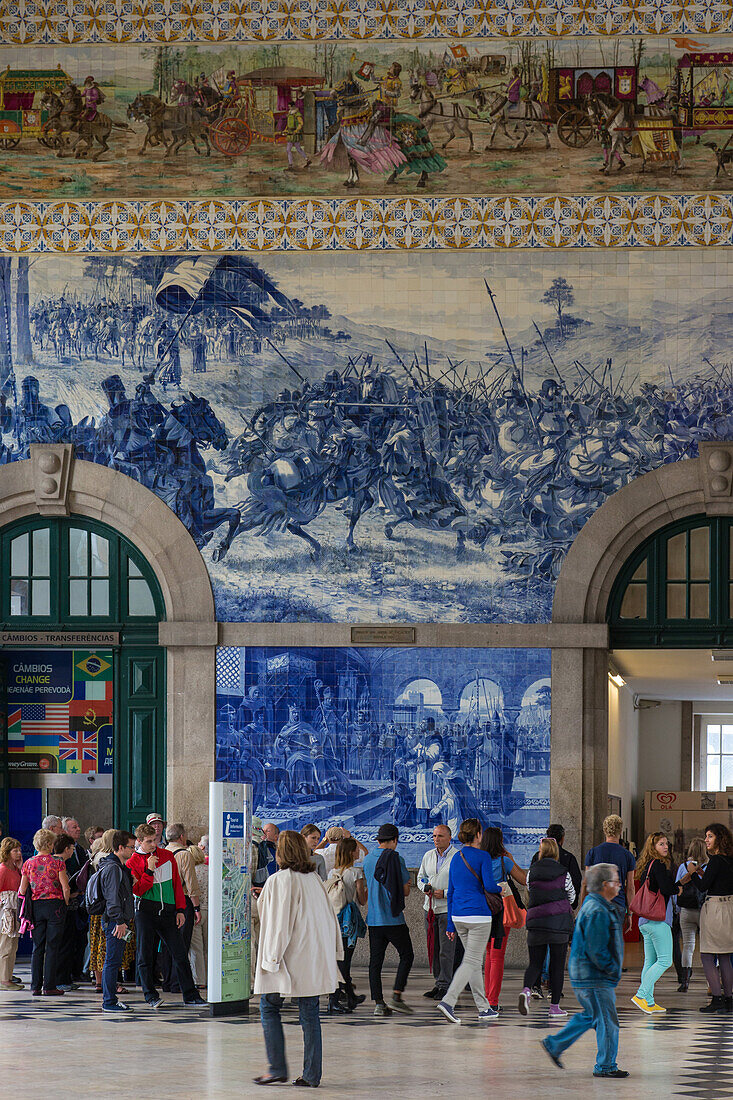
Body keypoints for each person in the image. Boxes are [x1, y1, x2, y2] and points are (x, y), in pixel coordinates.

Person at [254, 830, 342, 1088]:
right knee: (309, 1013)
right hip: (312, 958)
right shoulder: (313, 879)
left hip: (287, 958)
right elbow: (329, 918)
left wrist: (271, 959)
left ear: (281, 853)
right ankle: (312, 1074)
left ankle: (276, 1067)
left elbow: (278, 925)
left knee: (269, 1006)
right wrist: (334, 953)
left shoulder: (280, 880)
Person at [541, 864, 628, 1079]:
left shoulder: (595, 905)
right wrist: (611, 970)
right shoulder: (598, 911)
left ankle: (555, 1044)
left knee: (592, 1016)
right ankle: (606, 1066)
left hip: (587, 976)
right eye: (616, 881)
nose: (619, 885)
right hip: (595, 977)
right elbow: (597, 950)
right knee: (607, 1021)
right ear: (605, 885)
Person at [126, 823, 205, 1008]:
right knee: (145, 955)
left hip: (168, 912)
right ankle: (150, 994)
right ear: (139, 841)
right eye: (149, 841)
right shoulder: (133, 861)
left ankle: (191, 995)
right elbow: (138, 890)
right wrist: (149, 870)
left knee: (179, 954)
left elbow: (177, 884)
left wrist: (180, 909)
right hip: (145, 911)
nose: (154, 844)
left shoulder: (168, 856)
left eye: (156, 840)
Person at [437, 818, 501, 1025]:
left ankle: (484, 1008)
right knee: (472, 961)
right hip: (478, 916)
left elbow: (452, 892)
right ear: (478, 835)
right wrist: (502, 888)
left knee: (473, 963)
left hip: (458, 916)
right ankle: (448, 1001)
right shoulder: (482, 856)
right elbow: (490, 886)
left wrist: (449, 924)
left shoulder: (456, 857)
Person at [679, 821, 733, 1013]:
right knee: (725, 955)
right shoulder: (729, 860)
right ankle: (729, 999)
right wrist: (703, 873)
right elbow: (717, 880)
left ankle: (716, 999)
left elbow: (703, 887)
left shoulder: (716, 860)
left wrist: (693, 873)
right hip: (729, 909)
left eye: (710, 836)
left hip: (715, 909)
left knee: (707, 955)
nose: (706, 840)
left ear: (719, 838)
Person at [519, 836, 575, 1020]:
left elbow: (529, 890)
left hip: (536, 922)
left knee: (535, 963)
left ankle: (527, 990)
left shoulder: (531, 872)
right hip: (558, 924)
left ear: (541, 852)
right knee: (556, 967)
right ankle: (554, 1007)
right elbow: (572, 897)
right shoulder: (563, 872)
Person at [363, 823, 414, 1017]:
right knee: (407, 955)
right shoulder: (396, 859)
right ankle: (397, 995)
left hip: (374, 920)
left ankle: (378, 1003)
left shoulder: (367, 860)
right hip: (393, 919)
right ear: (394, 840)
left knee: (375, 962)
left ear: (378, 840)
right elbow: (405, 890)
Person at [630, 831, 679, 1014]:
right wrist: (678, 887)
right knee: (665, 960)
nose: (665, 847)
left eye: (666, 844)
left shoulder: (647, 866)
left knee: (650, 961)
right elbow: (666, 888)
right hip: (658, 921)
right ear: (653, 847)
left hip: (644, 921)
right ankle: (641, 995)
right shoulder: (658, 864)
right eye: (661, 844)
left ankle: (649, 1002)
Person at [481, 825, 527, 1012]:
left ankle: (487, 998)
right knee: (497, 956)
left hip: (482, 911)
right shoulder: (504, 861)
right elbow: (524, 880)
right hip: (500, 913)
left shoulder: (479, 861)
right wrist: (512, 860)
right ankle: (492, 1000)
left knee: (489, 954)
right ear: (499, 842)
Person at [19, 828, 70, 996]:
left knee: (38, 947)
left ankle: (35, 986)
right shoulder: (57, 863)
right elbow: (65, 887)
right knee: (53, 946)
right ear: (49, 844)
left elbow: (22, 889)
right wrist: (66, 903)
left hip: (35, 907)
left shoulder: (28, 863)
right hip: (55, 905)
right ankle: (49, 986)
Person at [417, 823, 458, 1000]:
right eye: (434, 836)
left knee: (446, 950)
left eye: (440, 836)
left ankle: (446, 984)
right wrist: (424, 887)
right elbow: (419, 877)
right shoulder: (428, 855)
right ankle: (438, 982)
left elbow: (462, 885)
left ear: (449, 838)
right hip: (431, 908)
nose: (436, 839)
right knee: (433, 947)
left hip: (447, 910)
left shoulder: (457, 856)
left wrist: (446, 893)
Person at [327, 836, 367, 1013]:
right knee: (344, 961)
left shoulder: (332, 872)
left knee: (339, 959)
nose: (358, 852)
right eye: (356, 849)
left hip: (333, 920)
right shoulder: (356, 873)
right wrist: (367, 888)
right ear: (351, 852)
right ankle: (333, 1001)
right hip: (348, 922)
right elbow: (362, 900)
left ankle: (350, 997)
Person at [98, 830, 136, 1013]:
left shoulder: (118, 867)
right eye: (130, 847)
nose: (133, 851)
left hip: (118, 920)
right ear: (120, 848)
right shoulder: (113, 868)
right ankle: (109, 1001)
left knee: (114, 960)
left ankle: (110, 999)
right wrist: (119, 921)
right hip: (115, 921)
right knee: (112, 961)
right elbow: (112, 898)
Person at [161, 824, 202, 994]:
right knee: (181, 943)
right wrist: (196, 906)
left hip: (164, 901)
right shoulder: (185, 855)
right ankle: (178, 982)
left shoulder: (161, 852)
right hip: (182, 901)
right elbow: (191, 883)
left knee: (166, 943)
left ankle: (167, 980)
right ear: (182, 837)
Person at [582, 814, 636, 926]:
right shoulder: (627, 855)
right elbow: (630, 887)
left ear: (604, 830)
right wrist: (630, 914)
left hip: (596, 903)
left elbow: (586, 883)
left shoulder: (593, 853)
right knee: (614, 940)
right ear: (620, 831)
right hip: (618, 903)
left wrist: (583, 908)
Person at [57, 817, 90, 991]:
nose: (79, 829)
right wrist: (71, 893)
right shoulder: (58, 862)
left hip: (77, 902)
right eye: (74, 827)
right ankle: (62, 977)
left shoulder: (81, 850)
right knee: (64, 942)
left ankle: (74, 973)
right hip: (65, 904)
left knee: (76, 940)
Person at [675, 836, 707, 992]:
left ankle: (685, 982)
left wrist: (678, 910)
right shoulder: (707, 867)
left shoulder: (683, 866)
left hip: (686, 911)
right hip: (704, 911)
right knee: (708, 947)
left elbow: (677, 889)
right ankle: (711, 984)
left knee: (688, 946)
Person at [0, 837, 23, 990]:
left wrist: (20, 869)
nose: (19, 853)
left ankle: (8, 976)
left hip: (15, 909)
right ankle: (4, 979)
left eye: (19, 850)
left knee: (12, 946)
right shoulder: (2, 870)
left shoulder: (15, 869)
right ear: (7, 853)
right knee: (5, 945)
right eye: (15, 850)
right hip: (6, 911)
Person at [189, 838, 209, 989]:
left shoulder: (191, 872)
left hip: (196, 911)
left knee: (196, 947)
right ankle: (211, 977)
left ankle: (199, 980)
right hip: (210, 911)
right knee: (209, 947)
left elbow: (191, 892)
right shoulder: (211, 871)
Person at [284, 102, 311, 170]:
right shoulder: (289, 114)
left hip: (295, 133)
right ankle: (291, 164)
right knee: (288, 149)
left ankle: (307, 160)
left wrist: (296, 131)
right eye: (289, 106)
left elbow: (301, 124)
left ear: (293, 106)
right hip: (290, 133)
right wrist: (285, 129)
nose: (289, 108)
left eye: (290, 106)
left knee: (298, 148)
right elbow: (288, 124)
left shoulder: (297, 114)